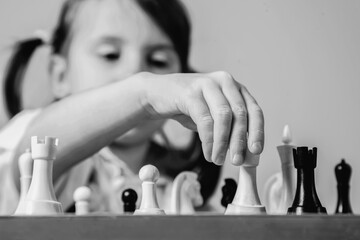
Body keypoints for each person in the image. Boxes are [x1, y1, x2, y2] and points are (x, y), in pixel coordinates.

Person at [0, 0, 264, 214]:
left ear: (179, 77)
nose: (135, 72)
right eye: (110, 55)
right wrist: (143, 93)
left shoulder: (175, 187)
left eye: (159, 61)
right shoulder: (63, 154)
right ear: (59, 75)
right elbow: (35, 155)